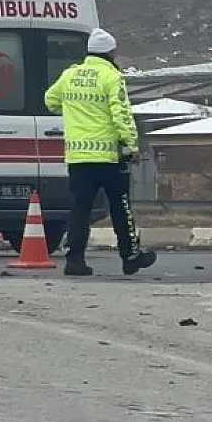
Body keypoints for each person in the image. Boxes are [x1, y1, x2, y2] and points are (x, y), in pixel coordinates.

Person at [43, 27, 157, 278]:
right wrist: (131, 145)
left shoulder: (69, 75)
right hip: (107, 157)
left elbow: (50, 101)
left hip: (78, 158)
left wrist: (75, 113)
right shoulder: (111, 76)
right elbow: (122, 113)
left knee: (80, 207)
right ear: (110, 52)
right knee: (120, 206)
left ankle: (74, 260)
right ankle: (130, 256)